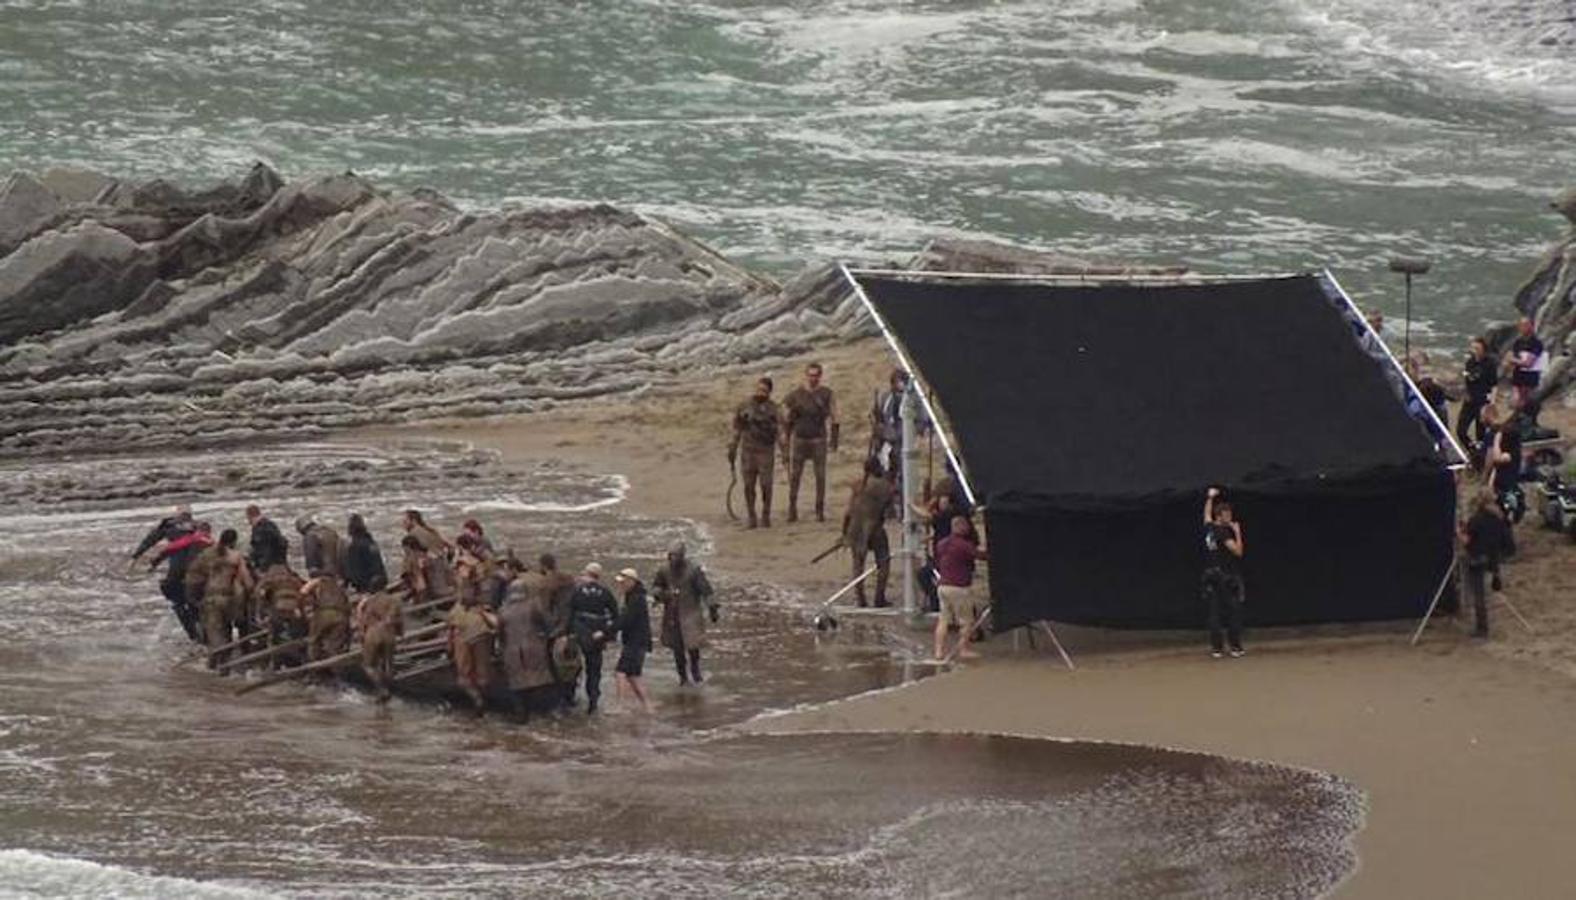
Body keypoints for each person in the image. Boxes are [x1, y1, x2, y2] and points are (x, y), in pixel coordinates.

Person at [497, 563, 561, 721]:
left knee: (517, 685)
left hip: (512, 651)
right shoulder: (533, 605)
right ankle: (548, 712)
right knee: (540, 680)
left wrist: (502, 647)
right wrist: (547, 636)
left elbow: (500, 634)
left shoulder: (503, 611)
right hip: (534, 647)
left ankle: (521, 716)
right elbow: (547, 623)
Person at [780, 361, 839, 523]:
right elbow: (784, 411)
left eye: (816, 375)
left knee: (820, 477)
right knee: (795, 476)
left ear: (820, 376)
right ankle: (792, 509)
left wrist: (834, 439)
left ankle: (819, 511)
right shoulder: (796, 394)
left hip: (818, 439)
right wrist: (786, 430)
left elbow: (835, 416)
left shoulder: (826, 393)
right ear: (806, 375)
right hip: (800, 439)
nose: (813, 378)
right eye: (810, 375)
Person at [652, 541, 717, 685]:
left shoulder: (693, 570)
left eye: (676, 556)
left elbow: (706, 590)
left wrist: (712, 608)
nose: (673, 559)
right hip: (672, 613)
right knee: (677, 647)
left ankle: (695, 671)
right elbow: (656, 586)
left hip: (691, 612)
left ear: (682, 556)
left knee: (693, 645)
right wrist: (661, 594)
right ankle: (682, 677)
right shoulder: (663, 570)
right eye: (671, 556)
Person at [132, 507, 201, 640]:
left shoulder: (169, 526)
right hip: (197, 572)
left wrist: (137, 557)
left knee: (179, 604)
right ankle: (199, 632)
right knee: (195, 604)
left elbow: (152, 540)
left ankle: (193, 635)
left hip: (177, 573)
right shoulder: (198, 528)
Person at [729, 376, 781, 529]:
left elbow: (780, 431)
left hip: (766, 451)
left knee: (766, 485)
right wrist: (733, 447)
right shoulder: (744, 406)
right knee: (748, 486)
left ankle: (766, 516)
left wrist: (784, 452)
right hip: (748, 451)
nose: (760, 393)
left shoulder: (774, 409)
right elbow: (737, 428)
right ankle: (752, 517)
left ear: (769, 392)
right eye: (758, 389)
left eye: (764, 390)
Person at [933, 516, 987, 662]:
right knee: (966, 621)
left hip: (942, 585)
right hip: (959, 587)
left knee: (943, 619)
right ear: (962, 527)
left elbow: (938, 559)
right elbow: (980, 556)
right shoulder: (964, 545)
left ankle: (938, 651)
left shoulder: (942, 544)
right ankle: (963, 649)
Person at [1459, 490, 1512, 639]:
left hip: (1477, 559)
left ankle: (1482, 629)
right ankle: (1483, 627)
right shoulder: (1499, 517)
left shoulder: (1476, 519)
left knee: (1478, 596)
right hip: (1493, 559)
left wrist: (1458, 532)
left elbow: (1466, 541)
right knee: (1486, 594)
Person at [568, 562, 621, 713]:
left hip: (579, 633)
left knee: (573, 667)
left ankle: (571, 697)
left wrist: (568, 632)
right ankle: (593, 702)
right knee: (594, 670)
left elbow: (569, 612)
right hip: (597, 636)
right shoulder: (605, 592)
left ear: (587, 574)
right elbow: (615, 615)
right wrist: (607, 633)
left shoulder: (577, 592)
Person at [841, 456, 893, 608]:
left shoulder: (858, 486)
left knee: (858, 565)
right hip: (874, 528)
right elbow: (888, 510)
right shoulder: (883, 486)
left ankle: (861, 599)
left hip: (855, 528)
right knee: (883, 562)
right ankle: (879, 597)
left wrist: (844, 533)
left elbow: (848, 512)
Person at [1201, 487, 1246, 659]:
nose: (1230, 517)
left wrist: (1210, 498)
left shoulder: (1209, 529)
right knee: (1233, 612)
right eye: (1227, 515)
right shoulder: (1223, 532)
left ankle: (1217, 649)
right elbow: (1238, 552)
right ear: (1220, 516)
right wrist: (1237, 533)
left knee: (1214, 614)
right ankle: (1235, 647)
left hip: (1210, 576)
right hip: (1225, 577)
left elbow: (1206, 515)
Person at [202, 529, 255, 667]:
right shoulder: (236, 556)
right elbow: (247, 581)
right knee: (234, 627)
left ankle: (214, 664)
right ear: (234, 542)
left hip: (211, 600)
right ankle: (234, 661)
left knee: (216, 633)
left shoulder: (207, 555)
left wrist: (195, 598)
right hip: (231, 600)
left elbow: (195, 579)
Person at [446, 590, 498, 713]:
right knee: (483, 675)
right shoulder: (481, 613)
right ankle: (483, 699)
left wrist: (449, 649)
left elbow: (451, 633)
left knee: (464, 677)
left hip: (464, 641)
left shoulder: (456, 612)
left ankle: (477, 699)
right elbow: (495, 625)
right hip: (480, 640)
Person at [613, 568, 653, 712]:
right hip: (638, 641)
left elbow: (626, 621)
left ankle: (620, 706)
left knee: (620, 672)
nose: (620, 585)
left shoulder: (636, 599)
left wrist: (609, 629)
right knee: (633, 676)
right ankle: (648, 707)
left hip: (636, 642)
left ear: (631, 582)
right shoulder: (634, 596)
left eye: (623, 583)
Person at [355, 588, 404, 701]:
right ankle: (390, 690)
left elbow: (363, 619)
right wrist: (400, 634)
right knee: (388, 664)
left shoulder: (368, 601)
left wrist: (362, 634)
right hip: (389, 634)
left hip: (373, 634)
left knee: (368, 665)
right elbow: (400, 620)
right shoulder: (395, 600)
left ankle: (381, 689)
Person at [1482, 404, 1525, 528]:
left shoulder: (1512, 454)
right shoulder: (1507, 450)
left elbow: (1496, 458)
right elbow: (1496, 465)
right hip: (1500, 483)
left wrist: (1496, 440)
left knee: (1505, 511)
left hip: (1507, 486)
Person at [1458, 337, 1497, 456]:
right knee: (1461, 430)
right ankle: (1472, 448)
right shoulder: (1470, 362)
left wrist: (1492, 402)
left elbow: (1494, 384)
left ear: (1483, 350)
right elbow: (1466, 379)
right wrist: (1465, 393)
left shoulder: (1489, 363)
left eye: (1477, 348)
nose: (1474, 350)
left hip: (1482, 401)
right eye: (1473, 348)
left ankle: (1481, 454)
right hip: (1470, 400)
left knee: (1480, 432)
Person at [301, 572, 351, 662]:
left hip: (324, 613)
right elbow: (347, 605)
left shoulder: (317, 581)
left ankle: (314, 665)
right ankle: (335, 664)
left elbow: (303, 592)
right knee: (334, 645)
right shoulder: (338, 586)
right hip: (340, 615)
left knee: (313, 641)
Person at [341, 513, 389, 593]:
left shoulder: (355, 545)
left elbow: (354, 570)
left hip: (367, 585)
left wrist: (347, 582)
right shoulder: (371, 541)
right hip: (380, 580)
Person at [1505, 317, 1544, 409]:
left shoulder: (1536, 343)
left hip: (1530, 379)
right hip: (1517, 377)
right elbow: (1508, 357)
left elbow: (1529, 363)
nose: (1523, 328)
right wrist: (1511, 362)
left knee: (1526, 403)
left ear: (1532, 326)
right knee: (1515, 403)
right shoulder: (1518, 342)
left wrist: (1513, 360)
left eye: (1526, 325)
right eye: (1521, 325)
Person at [297, 515, 343, 581]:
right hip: (338, 572)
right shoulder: (330, 531)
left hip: (323, 572)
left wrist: (312, 570)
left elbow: (310, 555)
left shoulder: (310, 535)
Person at [246, 505, 288, 572]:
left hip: (268, 566)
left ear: (249, 516)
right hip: (281, 563)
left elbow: (263, 551)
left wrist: (261, 568)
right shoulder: (271, 524)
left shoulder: (259, 529)